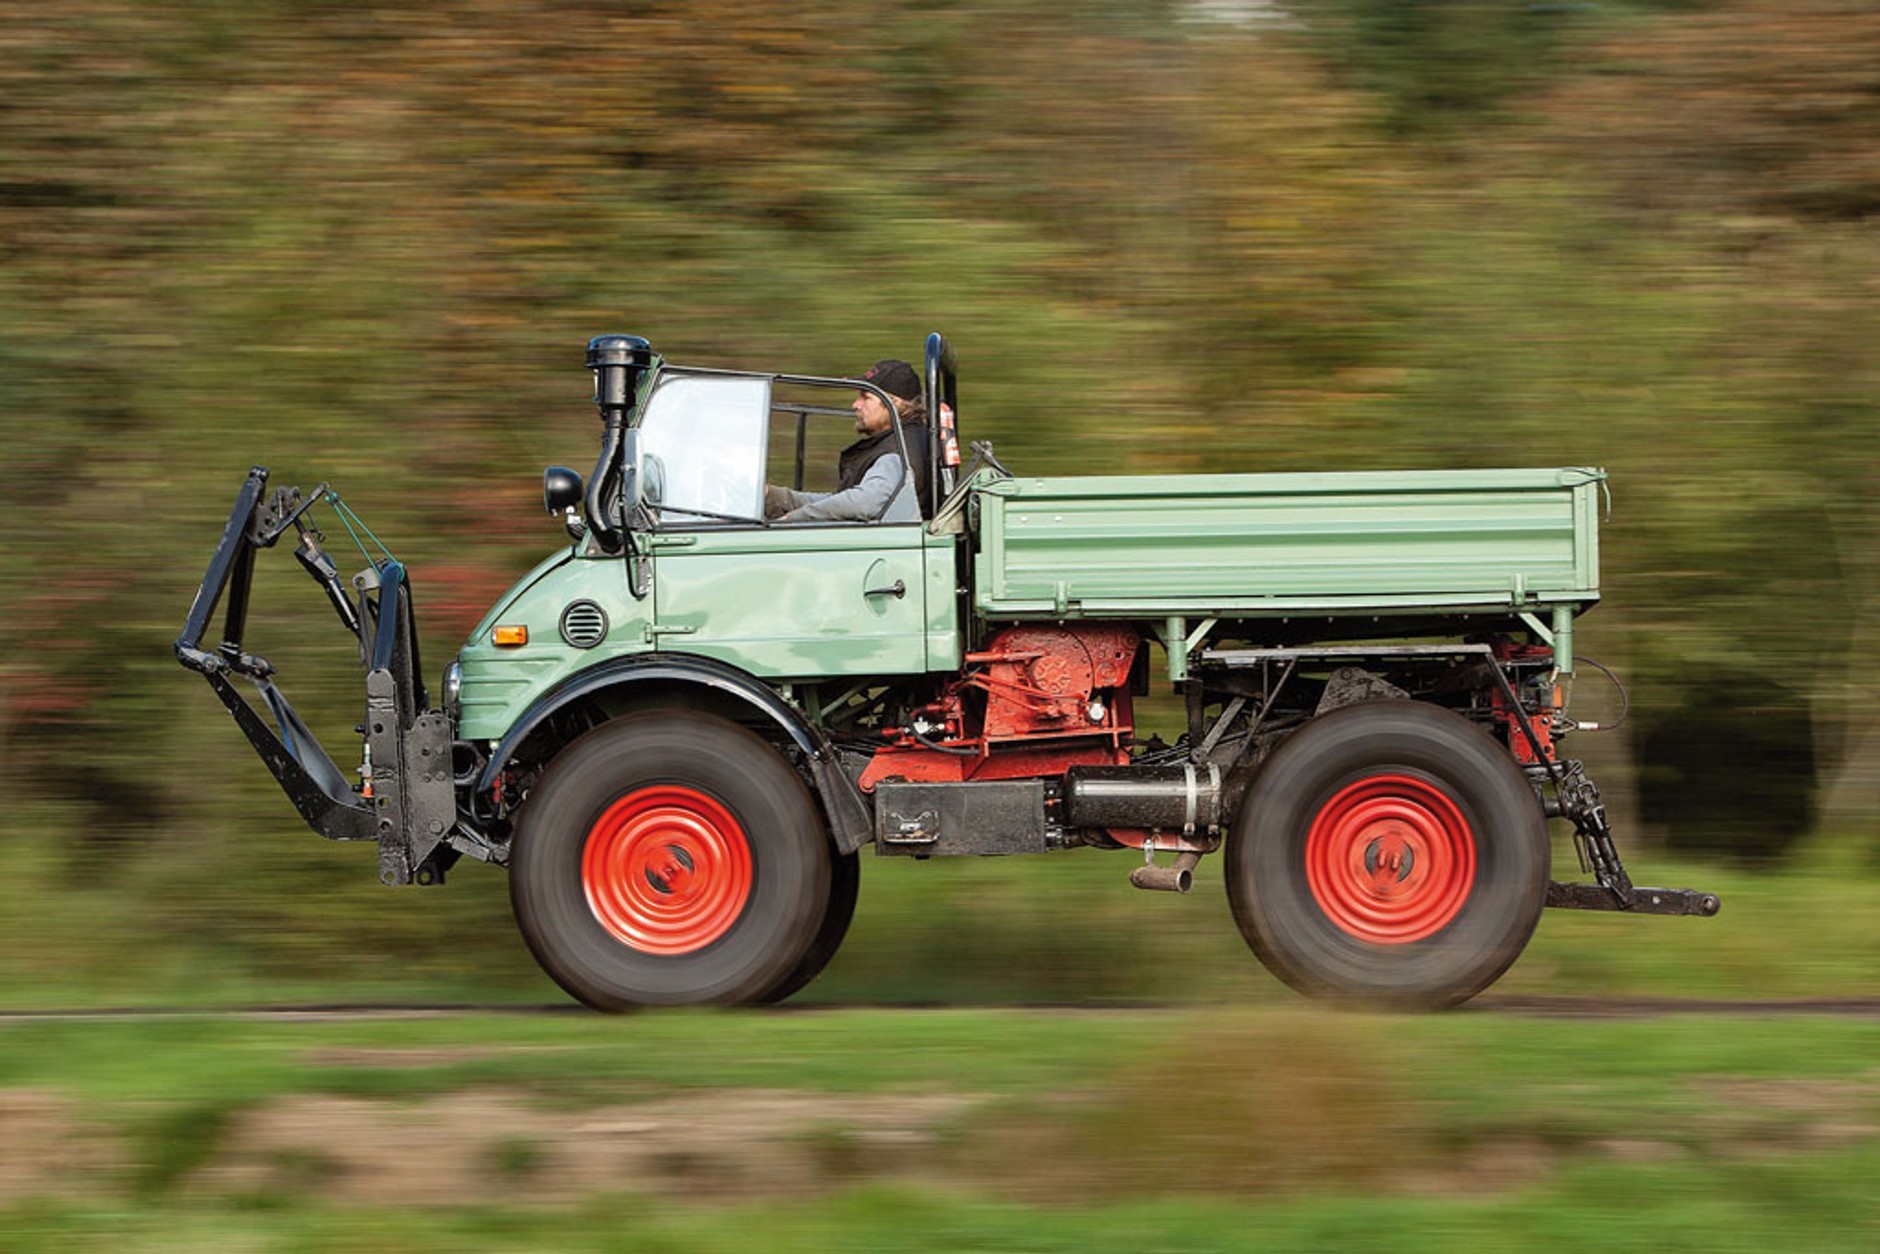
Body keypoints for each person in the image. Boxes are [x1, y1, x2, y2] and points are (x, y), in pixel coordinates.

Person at [765, 359, 930, 523]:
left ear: (894, 404)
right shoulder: (902, 442)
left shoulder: (894, 454)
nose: (855, 405)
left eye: (865, 398)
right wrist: (776, 498)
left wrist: (792, 520)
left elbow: (863, 503)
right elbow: (842, 501)